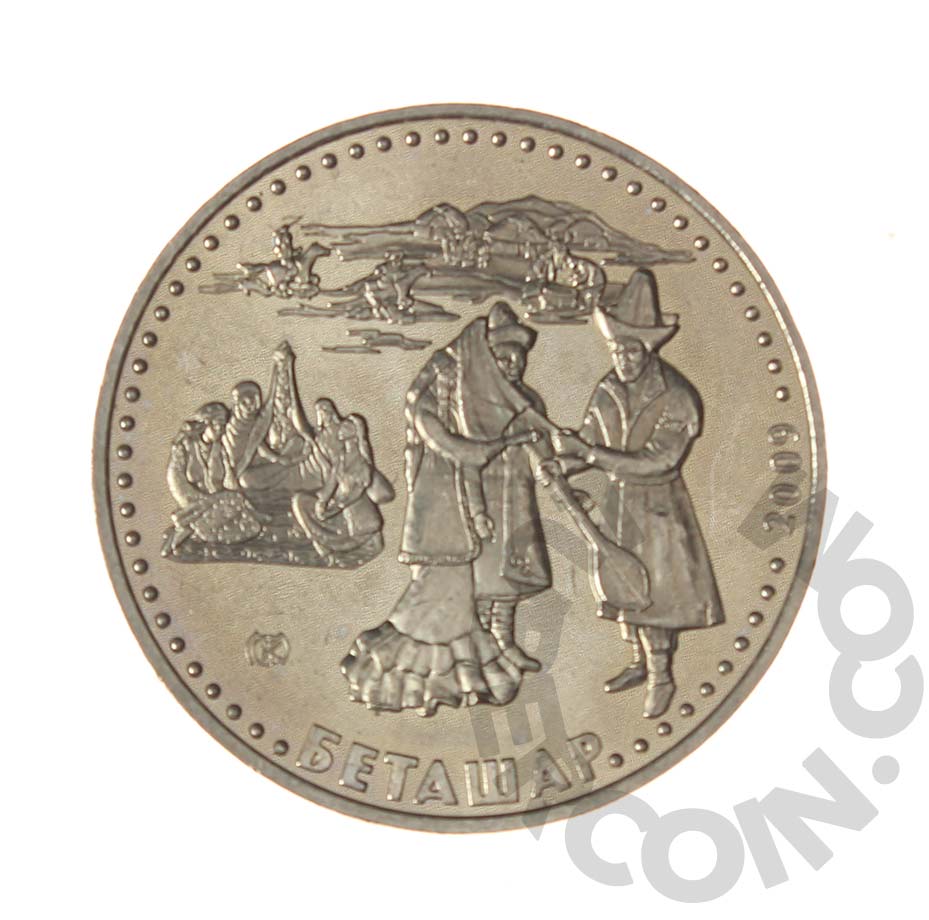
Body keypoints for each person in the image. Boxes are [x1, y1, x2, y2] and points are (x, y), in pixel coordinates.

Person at [340, 313, 542, 715]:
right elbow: (467, 454)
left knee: (465, 598)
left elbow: (471, 462)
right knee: (438, 601)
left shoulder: (498, 404)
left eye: (517, 357)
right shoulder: (430, 415)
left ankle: (474, 665)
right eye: (446, 381)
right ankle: (409, 680)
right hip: (439, 524)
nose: (453, 387)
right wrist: (509, 442)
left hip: (466, 520)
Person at [551, 268, 724, 718]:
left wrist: (589, 454)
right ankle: (638, 662)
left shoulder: (678, 396)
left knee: (656, 593)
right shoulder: (608, 388)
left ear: (648, 348)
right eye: (617, 349)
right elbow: (591, 438)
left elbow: (658, 460)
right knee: (624, 586)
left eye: (631, 350)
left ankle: (662, 676)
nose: (623, 358)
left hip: (659, 507)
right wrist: (562, 463)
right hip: (620, 503)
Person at [472, 302, 552, 672]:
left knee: (511, 574)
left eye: (519, 357)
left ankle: (503, 640)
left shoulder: (531, 399)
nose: (513, 364)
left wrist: (555, 478)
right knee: (480, 574)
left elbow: (544, 448)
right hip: (483, 497)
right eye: (504, 358)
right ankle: (479, 648)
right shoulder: (474, 400)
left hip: (518, 496)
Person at [164, 402, 263, 552]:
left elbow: (229, 480)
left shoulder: (220, 449)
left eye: (223, 426)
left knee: (251, 527)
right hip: (193, 501)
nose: (221, 430)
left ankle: (189, 524)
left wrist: (240, 496)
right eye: (217, 425)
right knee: (233, 504)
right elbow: (175, 480)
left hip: (216, 503)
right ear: (205, 424)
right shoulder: (184, 446)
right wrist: (199, 500)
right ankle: (194, 523)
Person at [291, 415, 390, 562]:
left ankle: (327, 545)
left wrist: (335, 508)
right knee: (301, 501)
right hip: (338, 507)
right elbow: (331, 483)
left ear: (355, 433)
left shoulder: (362, 463)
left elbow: (355, 494)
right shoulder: (341, 460)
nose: (341, 427)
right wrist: (323, 501)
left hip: (356, 517)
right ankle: (318, 540)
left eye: (347, 426)